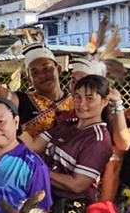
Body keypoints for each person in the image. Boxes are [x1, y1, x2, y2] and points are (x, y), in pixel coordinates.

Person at [33, 71, 124, 206]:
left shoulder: (98, 140)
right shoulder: (66, 125)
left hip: (69, 209)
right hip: (45, 199)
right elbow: (34, 147)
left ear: (105, 101)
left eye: (89, 98)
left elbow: (78, 185)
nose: (81, 103)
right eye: (77, 97)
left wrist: (39, 171)